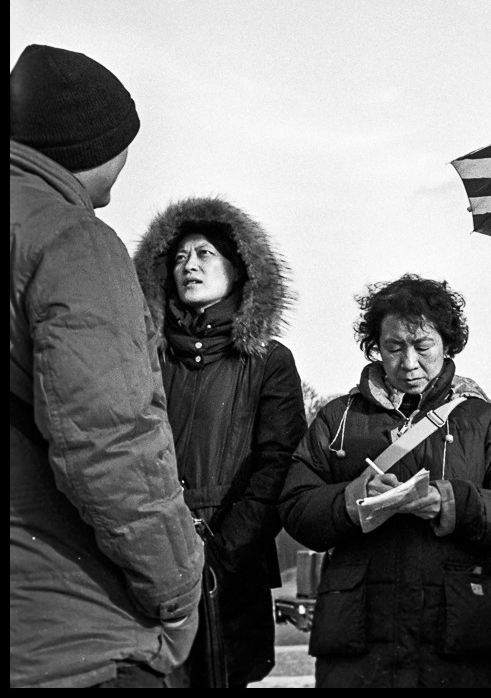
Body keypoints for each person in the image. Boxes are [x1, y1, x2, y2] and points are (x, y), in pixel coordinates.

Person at [10, 44, 203, 688]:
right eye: (125, 144)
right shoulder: (71, 240)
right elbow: (109, 441)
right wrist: (179, 587)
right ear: (92, 145)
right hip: (66, 630)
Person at [279, 274, 491, 688]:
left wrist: (452, 503)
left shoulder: (482, 420)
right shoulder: (338, 419)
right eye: (394, 347)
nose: (409, 362)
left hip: (457, 642)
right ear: (376, 348)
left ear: (447, 344)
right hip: (357, 644)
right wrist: (353, 499)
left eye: (423, 346)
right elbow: (295, 506)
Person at [133, 196, 308, 687]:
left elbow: (279, 464)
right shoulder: (144, 355)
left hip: (232, 564)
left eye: (205, 253)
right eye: (179, 256)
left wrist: (223, 551)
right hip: (152, 556)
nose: (189, 265)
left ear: (239, 267)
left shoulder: (269, 360)